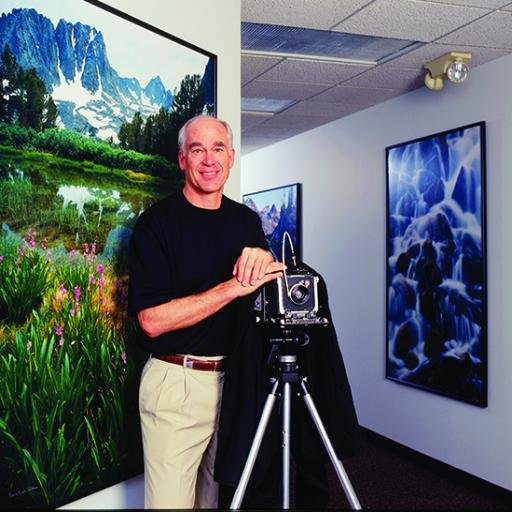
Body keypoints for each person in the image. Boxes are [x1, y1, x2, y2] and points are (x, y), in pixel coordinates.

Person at [127, 114, 283, 509]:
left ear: (231, 158)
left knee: (213, 502)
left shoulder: (246, 221)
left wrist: (264, 256)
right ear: (182, 159)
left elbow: (268, 285)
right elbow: (151, 320)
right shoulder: (155, 224)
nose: (209, 159)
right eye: (198, 150)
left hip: (235, 381)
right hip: (177, 383)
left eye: (218, 149)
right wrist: (233, 287)